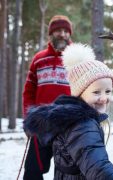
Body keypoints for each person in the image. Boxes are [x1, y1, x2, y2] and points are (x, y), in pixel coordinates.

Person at [23, 43, 113, 179]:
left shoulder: (73, 120)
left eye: (108, 91)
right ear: (80, 92)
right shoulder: (83, 125)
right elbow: (98, 169)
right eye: (96, 92)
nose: (104, 98)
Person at [22, 15, 73, 180]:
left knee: (68, 171)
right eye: (58, 30)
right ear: (51, 33)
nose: (63, 34)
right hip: (41, 124)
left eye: (66, 31)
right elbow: (29, 91)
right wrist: (28, 119)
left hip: (69, 124)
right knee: (32, 171)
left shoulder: (78, 59)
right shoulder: (39, 59)